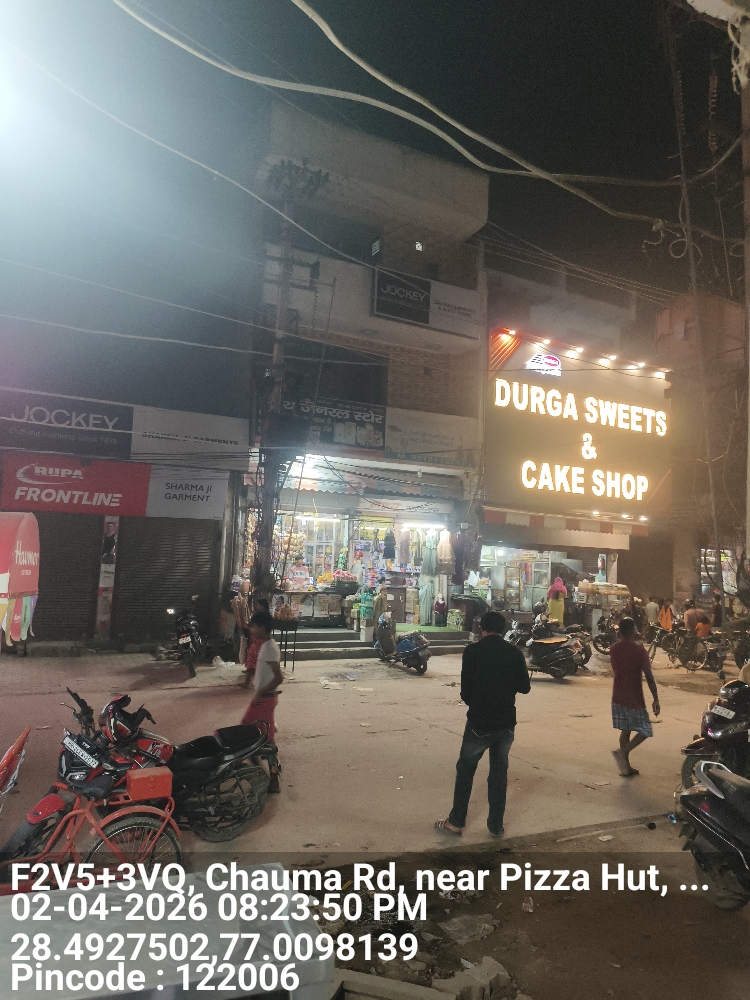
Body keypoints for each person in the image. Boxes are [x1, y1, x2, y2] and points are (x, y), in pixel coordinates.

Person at [435, 611, 530, 838]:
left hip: (480, 721)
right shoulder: (514, 652)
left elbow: (465, 693)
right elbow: (525, 687)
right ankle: (495, 825)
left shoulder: (472, 651)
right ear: (503, 630)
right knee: (499, 773)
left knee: (466, 770)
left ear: (481, 629)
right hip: (505, 723)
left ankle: (456, 822)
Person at [610, 616, 660, 777]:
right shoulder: (639, 652)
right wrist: (656, 698)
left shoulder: (614, 648)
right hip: (634, 698)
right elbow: (649, 677)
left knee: (626, 730)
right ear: (633, 631)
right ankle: (623, 752)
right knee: (645, 730)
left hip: (618, 695)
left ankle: (625, 767)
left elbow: (616, 668)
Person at [241, 610, 283, 793]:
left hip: (265, 699)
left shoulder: (270, 648)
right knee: (263, 738)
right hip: (265, 698)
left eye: (253, 626)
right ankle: (268, 776)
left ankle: (268, 778)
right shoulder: (265, 645)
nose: (251, 630)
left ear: (263, 627)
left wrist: (260, 693)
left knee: (249, 735)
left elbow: (278, 677)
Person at [241, 596, 269, 688]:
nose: (256, 606)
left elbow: (257, 627)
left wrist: (247, 626)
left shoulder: (263, 616)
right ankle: (251, 682)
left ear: (262, 606)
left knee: (252, 662)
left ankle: (248, 682)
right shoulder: (263, 615)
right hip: (256, 641)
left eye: (258, 604)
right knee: (254, 662)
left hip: (258, 642)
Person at [231, 580, 251, 666]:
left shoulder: (243, 602)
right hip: (243, 626)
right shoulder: (240, 603)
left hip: (244, 626)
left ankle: (246, 662)